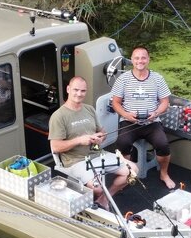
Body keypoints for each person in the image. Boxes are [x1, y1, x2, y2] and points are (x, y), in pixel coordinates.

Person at [49, 76, 135, 210]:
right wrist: (79, 140)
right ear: (68, 89)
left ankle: (103, 200)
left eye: (83, 91)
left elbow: (102, 132)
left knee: (133, 170)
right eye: (76, 90)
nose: (79, 94)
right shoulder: (58, 116)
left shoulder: (89, 109)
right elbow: (56, 147)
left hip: (97, 154)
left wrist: (100, 138)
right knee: (98, 188)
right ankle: (95, 200)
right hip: (75, 161)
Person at [111, 46, 176, 189]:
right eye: (136, 58)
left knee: (163, 145)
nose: (140, 61)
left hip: (152, 122)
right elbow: (115, 103)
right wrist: (126, 114)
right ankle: (126, 175)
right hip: (129, 122)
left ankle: (164, 174)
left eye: (143, 58)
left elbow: (165, 102)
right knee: (122, 144)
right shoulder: (123, 79)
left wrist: (156, 113)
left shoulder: (158, 78)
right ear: (132, 60)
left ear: (148, 59)